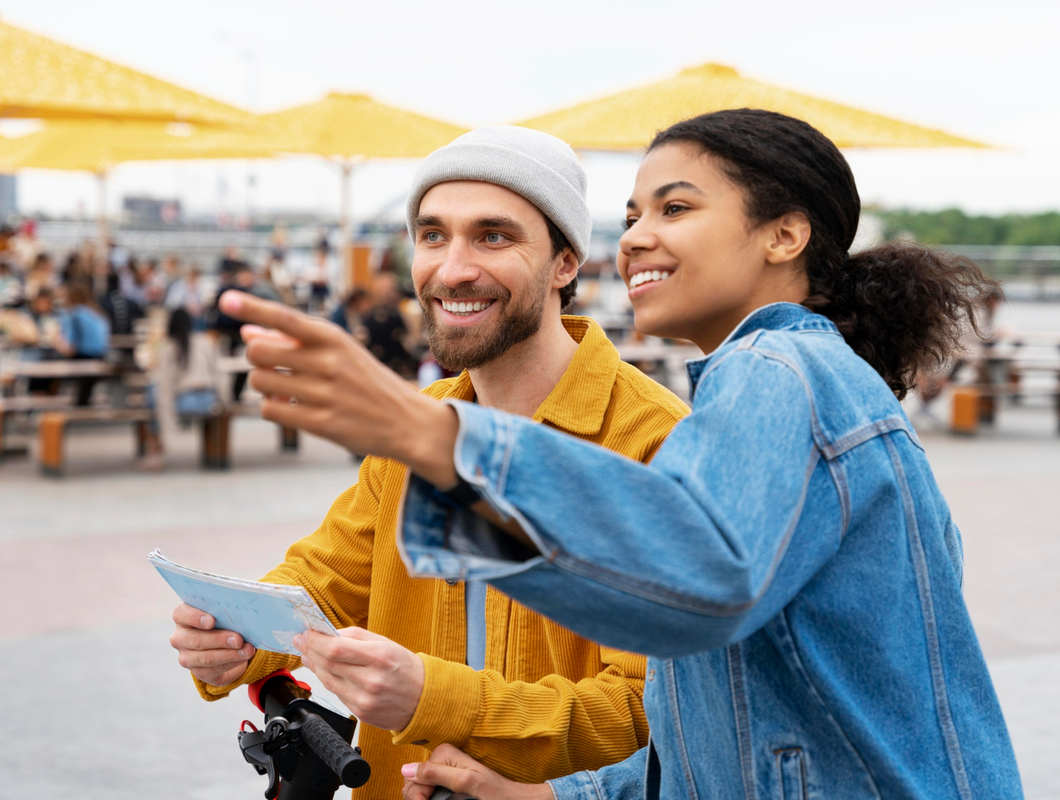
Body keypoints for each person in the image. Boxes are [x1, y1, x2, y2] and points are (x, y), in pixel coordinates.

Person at [219, 109, 1024, 800]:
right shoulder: (774, 387)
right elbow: (700, 734)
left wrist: (433, 440)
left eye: (674, 209)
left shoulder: (779, 368)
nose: (637, 238)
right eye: (634, 215)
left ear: (785, 234)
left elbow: (690, 583)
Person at [170, 127, 691, 798]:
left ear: (566, 262)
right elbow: (323, 583)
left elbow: (653, 713)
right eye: (432, 234)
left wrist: (433, 696)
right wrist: (233, 637)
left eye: (494, 236)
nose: (452, 269)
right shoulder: (420, 422)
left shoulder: (653, 441)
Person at [139, 307, 227, 469]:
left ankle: (155, 450)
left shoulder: (168, 346)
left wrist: (168, 425)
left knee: (152, 392)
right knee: (155, 393)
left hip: (186, 401)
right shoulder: (205, 341)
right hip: (208, 399)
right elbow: (219, 374)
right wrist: (223, 401)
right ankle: (157, 449)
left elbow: (164, 388)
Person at [56, 282, 111, 406]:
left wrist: (55, 343)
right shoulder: (97, 313)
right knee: (84, 394)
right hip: (101, 357)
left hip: (84, 357)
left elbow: (70, 346)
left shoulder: (73, 314)